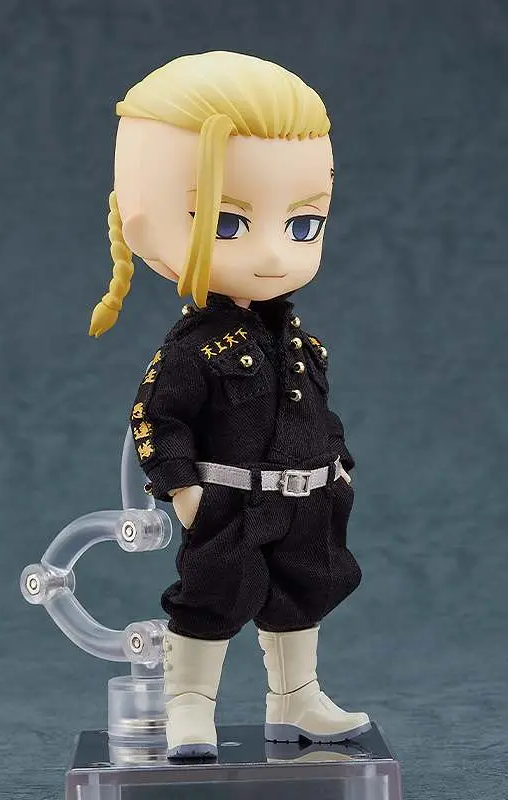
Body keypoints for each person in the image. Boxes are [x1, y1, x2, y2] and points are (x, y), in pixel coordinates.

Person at [88, 51, 370, 760]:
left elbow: (315, 413)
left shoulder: (302, 343)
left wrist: (338, 469)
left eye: (303, 225)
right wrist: (184, 492)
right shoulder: (196, 349)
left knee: (306, 588)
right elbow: (156, 420)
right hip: (231, 503)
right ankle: (189, 707)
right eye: (228, 223)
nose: (275, 254)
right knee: (213, 598)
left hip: (307, 500)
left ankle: (296, 697)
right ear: (144, 225)